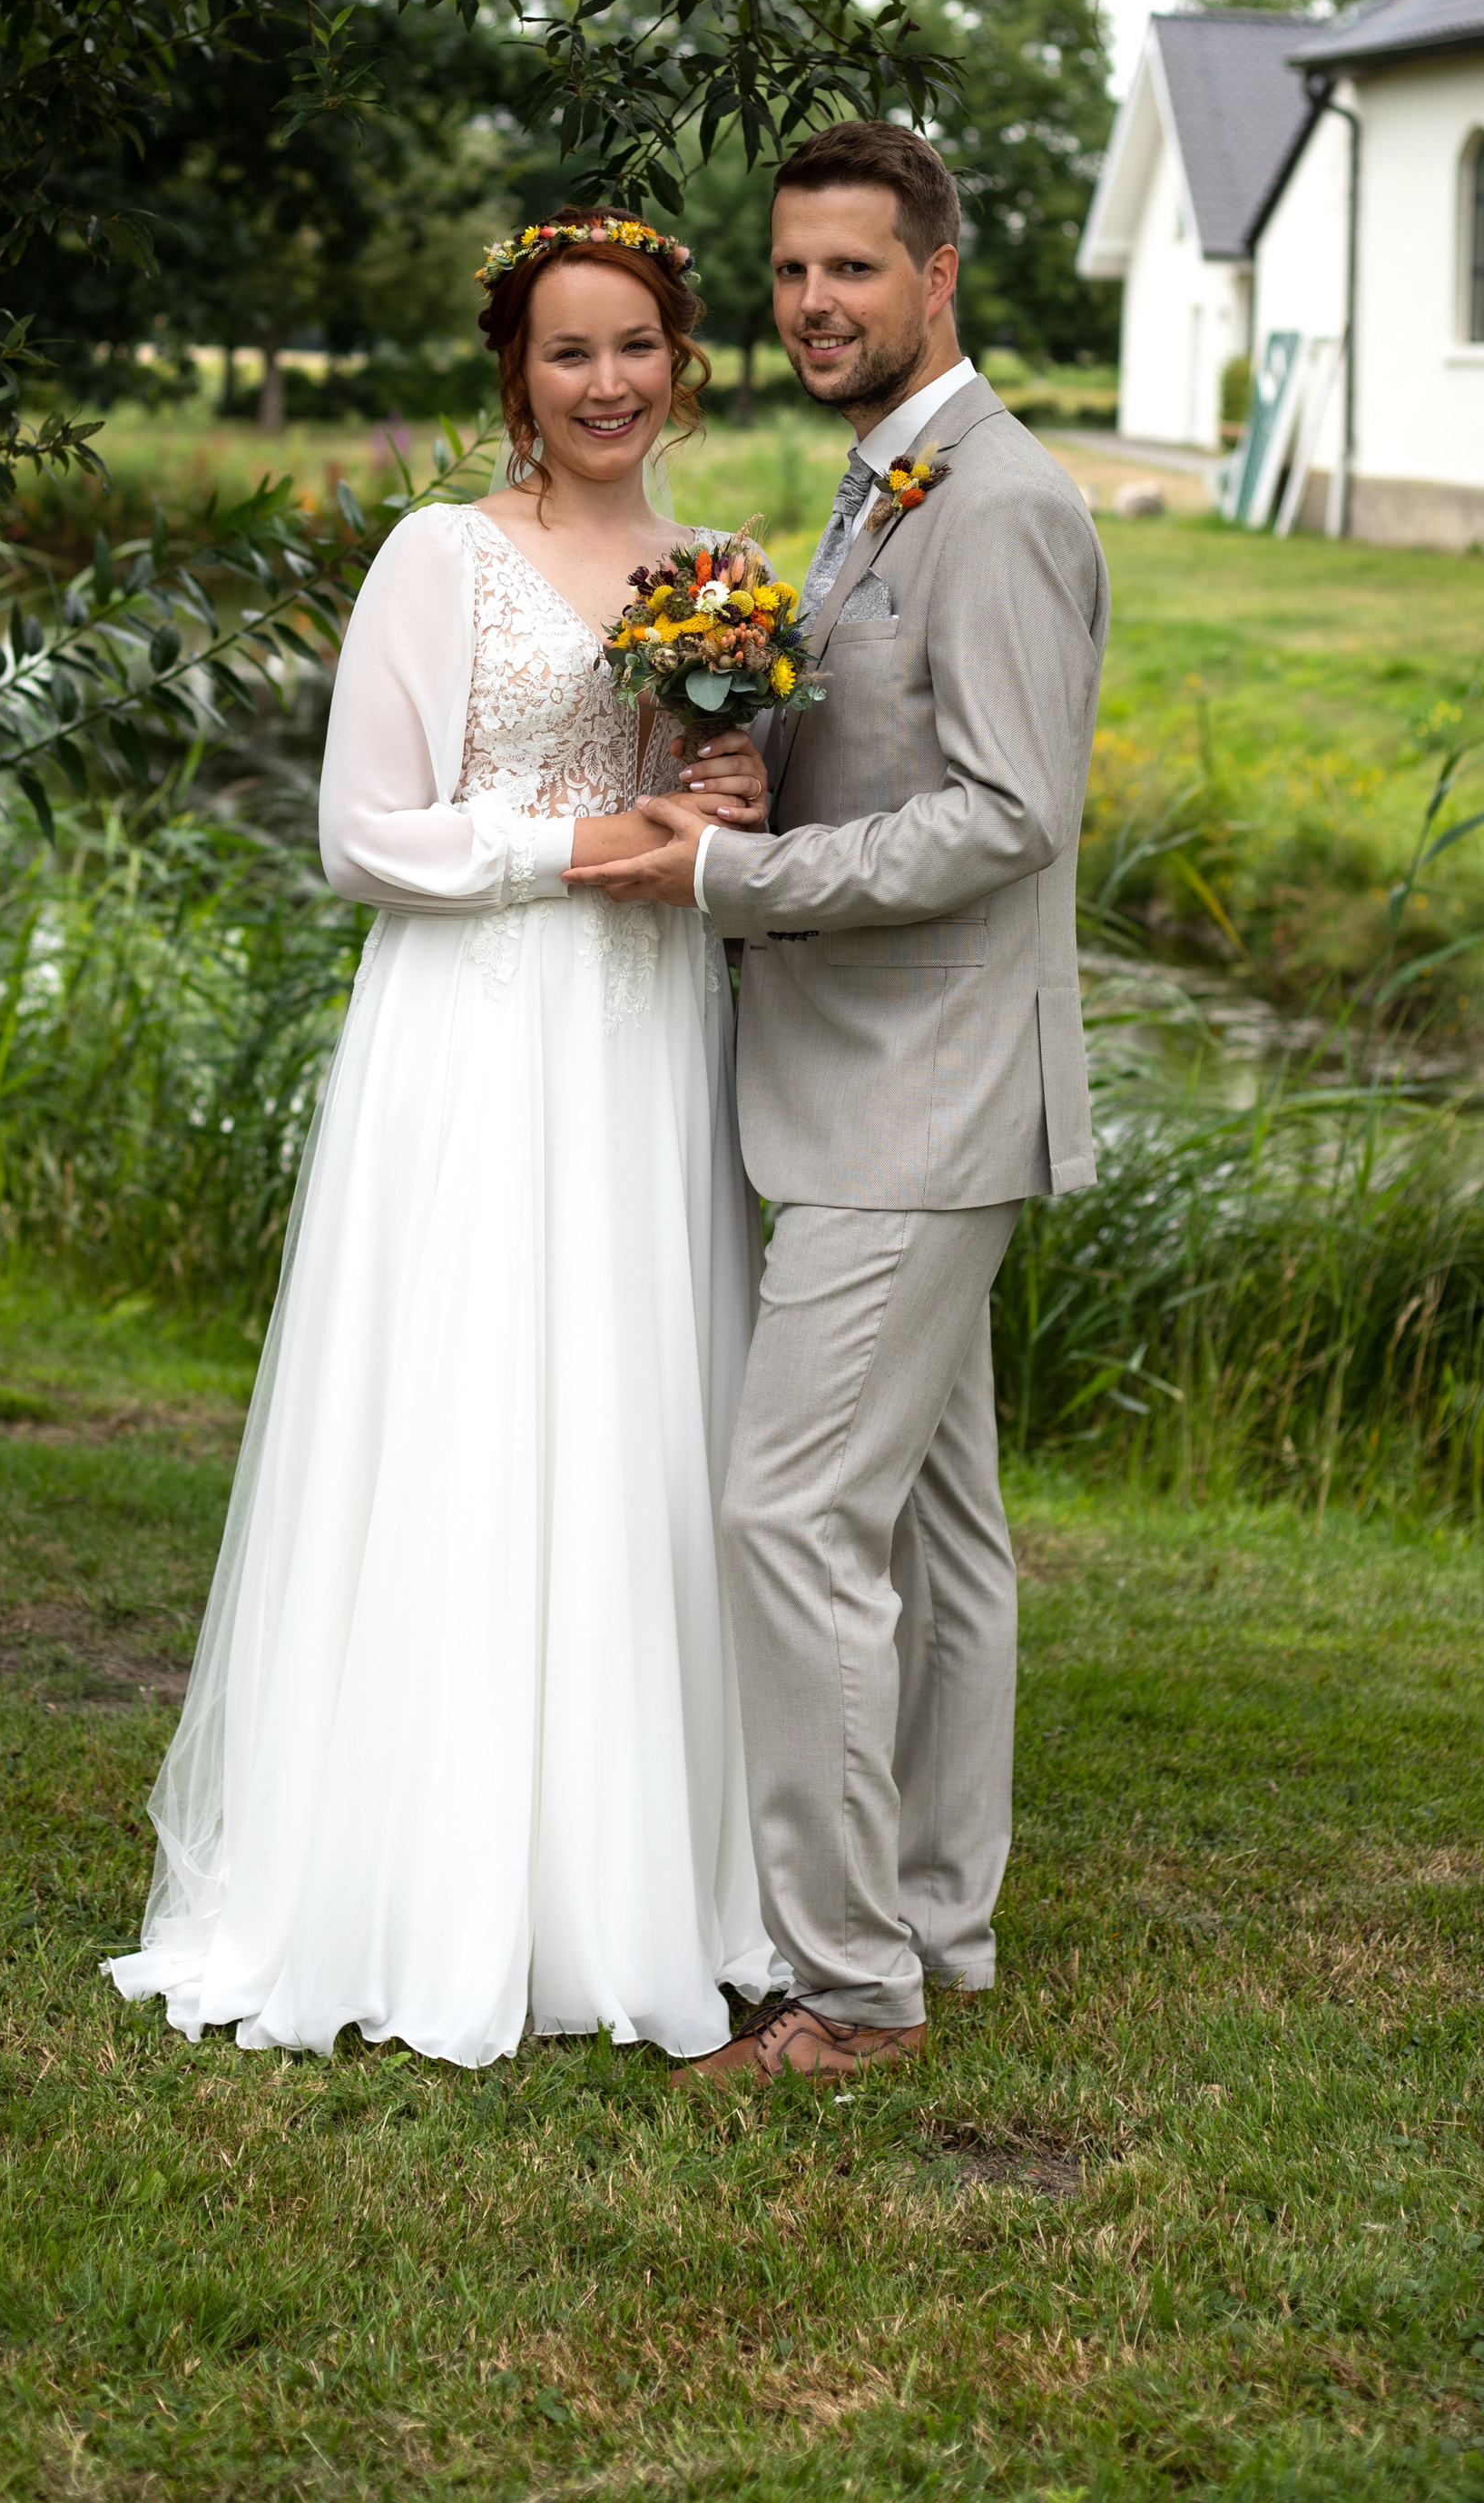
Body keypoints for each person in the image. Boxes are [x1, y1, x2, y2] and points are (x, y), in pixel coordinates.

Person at [106, 210, 783, 2066]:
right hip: (481, 1030)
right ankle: (426, 1874)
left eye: (634, 347)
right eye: (568, 352)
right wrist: (580, 844)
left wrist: (728, 788)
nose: (604, 383)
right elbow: (362, 835)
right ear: (515, 375)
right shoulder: (440, 558)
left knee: (633, 1405)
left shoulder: (722, 577)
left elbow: (707, 812)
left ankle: (630, 1881)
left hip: (647, 1033)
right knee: (473, 1402)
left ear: (680, 364)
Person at [568, 120, 1109, 2084]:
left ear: (936, 276)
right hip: (872, 1084)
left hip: (923, 1098)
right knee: (939, 1540)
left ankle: (851, 1986)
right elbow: (890, 759)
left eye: (852, 270)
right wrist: (750, 769)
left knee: (787, 1511)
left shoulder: (1003, 504)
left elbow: (1006, 814)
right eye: (793, 271)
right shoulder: (884, 481)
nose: (813, 302)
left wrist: (738, 877)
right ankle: (936, 1927)